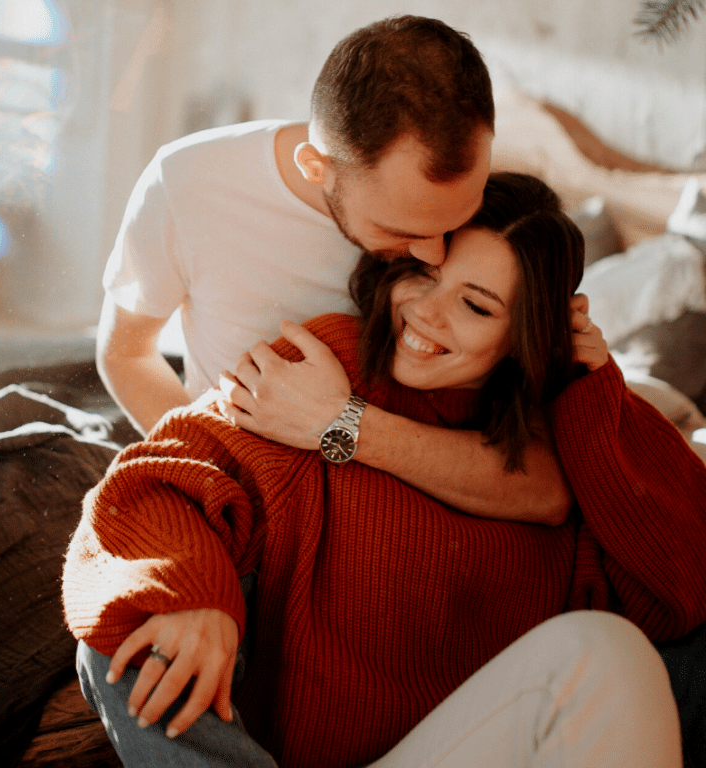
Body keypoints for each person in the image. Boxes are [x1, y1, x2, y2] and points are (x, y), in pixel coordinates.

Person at [63, 172, 706, 768]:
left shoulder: (554, 436)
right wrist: (195, 595)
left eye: (476, 306)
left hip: (480, 742)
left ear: (526, 337)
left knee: (609, 652)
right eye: (423, 275)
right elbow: (153, 480)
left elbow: (680, 591)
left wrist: (594, 391)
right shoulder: (329, 360)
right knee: (127, 630)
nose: (426, 313)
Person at [95, 15, 575, 522]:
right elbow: (126, 352)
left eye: (458, 216)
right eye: (402, 230)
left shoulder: (479, 199)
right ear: (316, 167)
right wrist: (207, 474)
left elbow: (544, 478)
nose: (436, 253)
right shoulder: (187, 182)